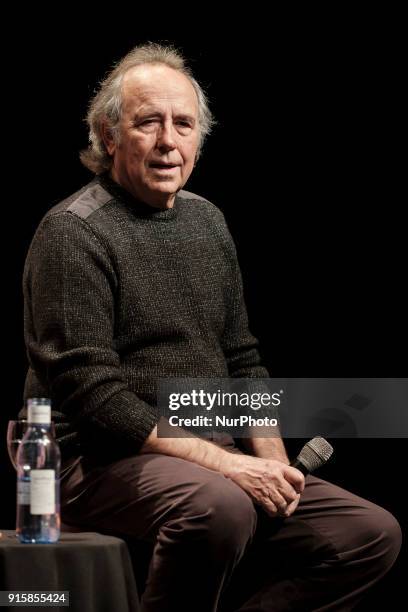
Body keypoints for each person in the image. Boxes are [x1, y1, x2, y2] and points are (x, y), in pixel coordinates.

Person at [21, 43, 401, 611]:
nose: (168, 142)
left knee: (368, 534)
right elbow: (93, 395)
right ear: (108, 134)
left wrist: (270, 460)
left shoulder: (206, 220)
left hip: (209, 451)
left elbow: (242, 358)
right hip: (97, 462)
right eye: (148, 122)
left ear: (200, 137)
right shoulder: (73, 233)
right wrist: (230, 466)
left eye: (184, 124)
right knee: (219, 506)